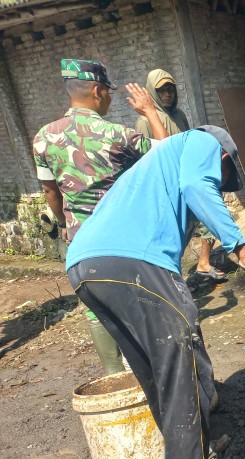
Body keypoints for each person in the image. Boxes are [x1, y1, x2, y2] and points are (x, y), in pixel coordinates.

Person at [65, 125, 245, 459]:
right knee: (182, 371)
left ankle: (191, 457)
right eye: (226, 178)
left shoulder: (159, 164)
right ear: (226, 157)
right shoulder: (202, 142)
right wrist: (242, 250)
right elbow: (199, 184)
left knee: (157, 373)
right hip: (133, 264)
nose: (222, 184)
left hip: (86, 266)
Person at [32, 58, 168, 375]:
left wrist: (66, 225)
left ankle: (114, 377)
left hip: (81, 245)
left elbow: (51, 192)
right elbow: (166, 152)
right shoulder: (116, 135)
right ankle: (155, 376)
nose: (108, 98)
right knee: (139, 303)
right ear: (96, 91)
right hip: (123, 242)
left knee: (96, 310)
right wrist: (149, 111)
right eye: (107, 91)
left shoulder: (43, 138)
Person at [134, 69, 224, 281]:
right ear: (152, 92)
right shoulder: (145, 121)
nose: (168, 95)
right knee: (175, 236)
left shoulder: (179, 115)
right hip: (167, 186)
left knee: (207, 219)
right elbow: (149, 157)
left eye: (171, 90)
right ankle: (172, 280)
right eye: (162, 91)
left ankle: (203, 263)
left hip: (187, 179)